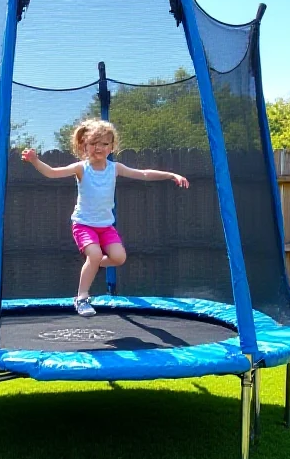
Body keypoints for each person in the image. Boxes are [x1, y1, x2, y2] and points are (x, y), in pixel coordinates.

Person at [21, 118, 189, 317]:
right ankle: (82, 298)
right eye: (93, 143)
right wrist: (35, 160)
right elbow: (52, 173)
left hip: (106, 227)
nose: (98, 148)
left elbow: (143, 174)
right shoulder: (81, 168)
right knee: (94, 255)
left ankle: (95, 264)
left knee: (119, 258)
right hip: (83, 225)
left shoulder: (114, 168)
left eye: (104, 144)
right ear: (84, 145)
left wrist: (171, 175)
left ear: (112, 147)